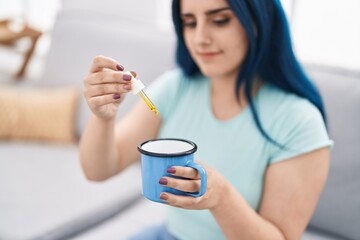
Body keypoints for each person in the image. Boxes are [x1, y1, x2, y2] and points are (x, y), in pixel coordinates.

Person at [79, 0, 333, 239]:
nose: (200, 38)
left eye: (220, 20)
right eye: (190, 22)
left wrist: (221, 198)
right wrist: (103, 118)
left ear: (258, 20)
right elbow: (98, 170)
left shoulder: (299, 122)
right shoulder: (176, 87)